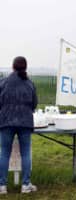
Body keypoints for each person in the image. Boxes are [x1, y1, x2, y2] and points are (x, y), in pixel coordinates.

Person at [0, 56, 38, 194]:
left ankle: (1, 186)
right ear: (25, 68)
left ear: (13, 66)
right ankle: (26, 185)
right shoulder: (30, 84)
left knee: (4, 153)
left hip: (6, 121)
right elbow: (34, 104)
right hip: (25, 122)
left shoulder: (3, 82)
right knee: (25, 153)